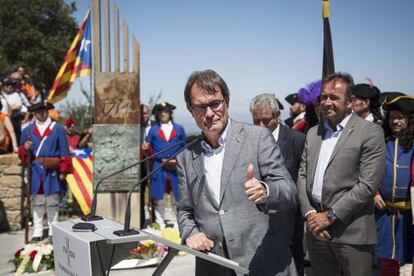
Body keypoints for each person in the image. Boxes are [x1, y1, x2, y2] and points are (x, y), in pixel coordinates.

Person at [177, 69, 297, 275]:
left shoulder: (257, 138)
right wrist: (191, 233)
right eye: (199, 107)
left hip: (263, 262)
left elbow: (288, 190)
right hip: (213, 264)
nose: (208, 113)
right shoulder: (186, 156)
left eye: (215, 103)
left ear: (226, 102)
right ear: (190, 110)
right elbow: (184, 210)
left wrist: (266, 191)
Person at [297, 72, 386, 276]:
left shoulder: (370, 133)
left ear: (350, 101)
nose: (327, 102)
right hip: (316, 231)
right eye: (324, 97)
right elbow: (302, 177)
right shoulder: (313, 133)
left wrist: (330, 216)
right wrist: (311, 215)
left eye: (334, 97)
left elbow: (367, 186)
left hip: (351, 233)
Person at [250, 93, 306, 275]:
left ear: (277, 117)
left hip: (288, 224)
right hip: (257, 223)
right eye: (256, 120)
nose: (260, 126)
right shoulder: (248, 140)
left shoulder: (296, 140)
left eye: (265, 120)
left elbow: (301, 181)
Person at [18, 100, 72, 242]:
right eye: (39, 111)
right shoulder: (27, 131)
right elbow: (21, 154)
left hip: (52, 169)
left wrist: (63, 171)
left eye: (44, 111)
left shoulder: (58, 128)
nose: (42, 114)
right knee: (37, 201)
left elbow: (65, 152)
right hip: (35, 170)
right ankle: (37, 231)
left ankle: (54, 230)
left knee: (53, 200)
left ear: (48, 112)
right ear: (34, 113)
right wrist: (26, 149)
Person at [375, 95, 414, 276]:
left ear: (409, 119)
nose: (396, 121)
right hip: (386, 214)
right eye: (392, 117)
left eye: (400, 116)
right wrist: (374, 193)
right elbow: (368, 171)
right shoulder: (380, 142)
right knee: (388, 259)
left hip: (410, 216)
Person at [146, 101, 186, 228]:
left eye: (166, 111)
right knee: (159, 197)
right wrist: (158, 157)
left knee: (177, 197)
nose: (163, 114)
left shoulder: (179, 129)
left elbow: (184, 147)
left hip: (176, 167)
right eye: (161, 112)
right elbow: (149, 149)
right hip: (158, 167)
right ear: (157, 115)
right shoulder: (153, 130)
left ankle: (177, 222)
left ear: (170, 113)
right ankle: (160, 222)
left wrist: (177, 160)